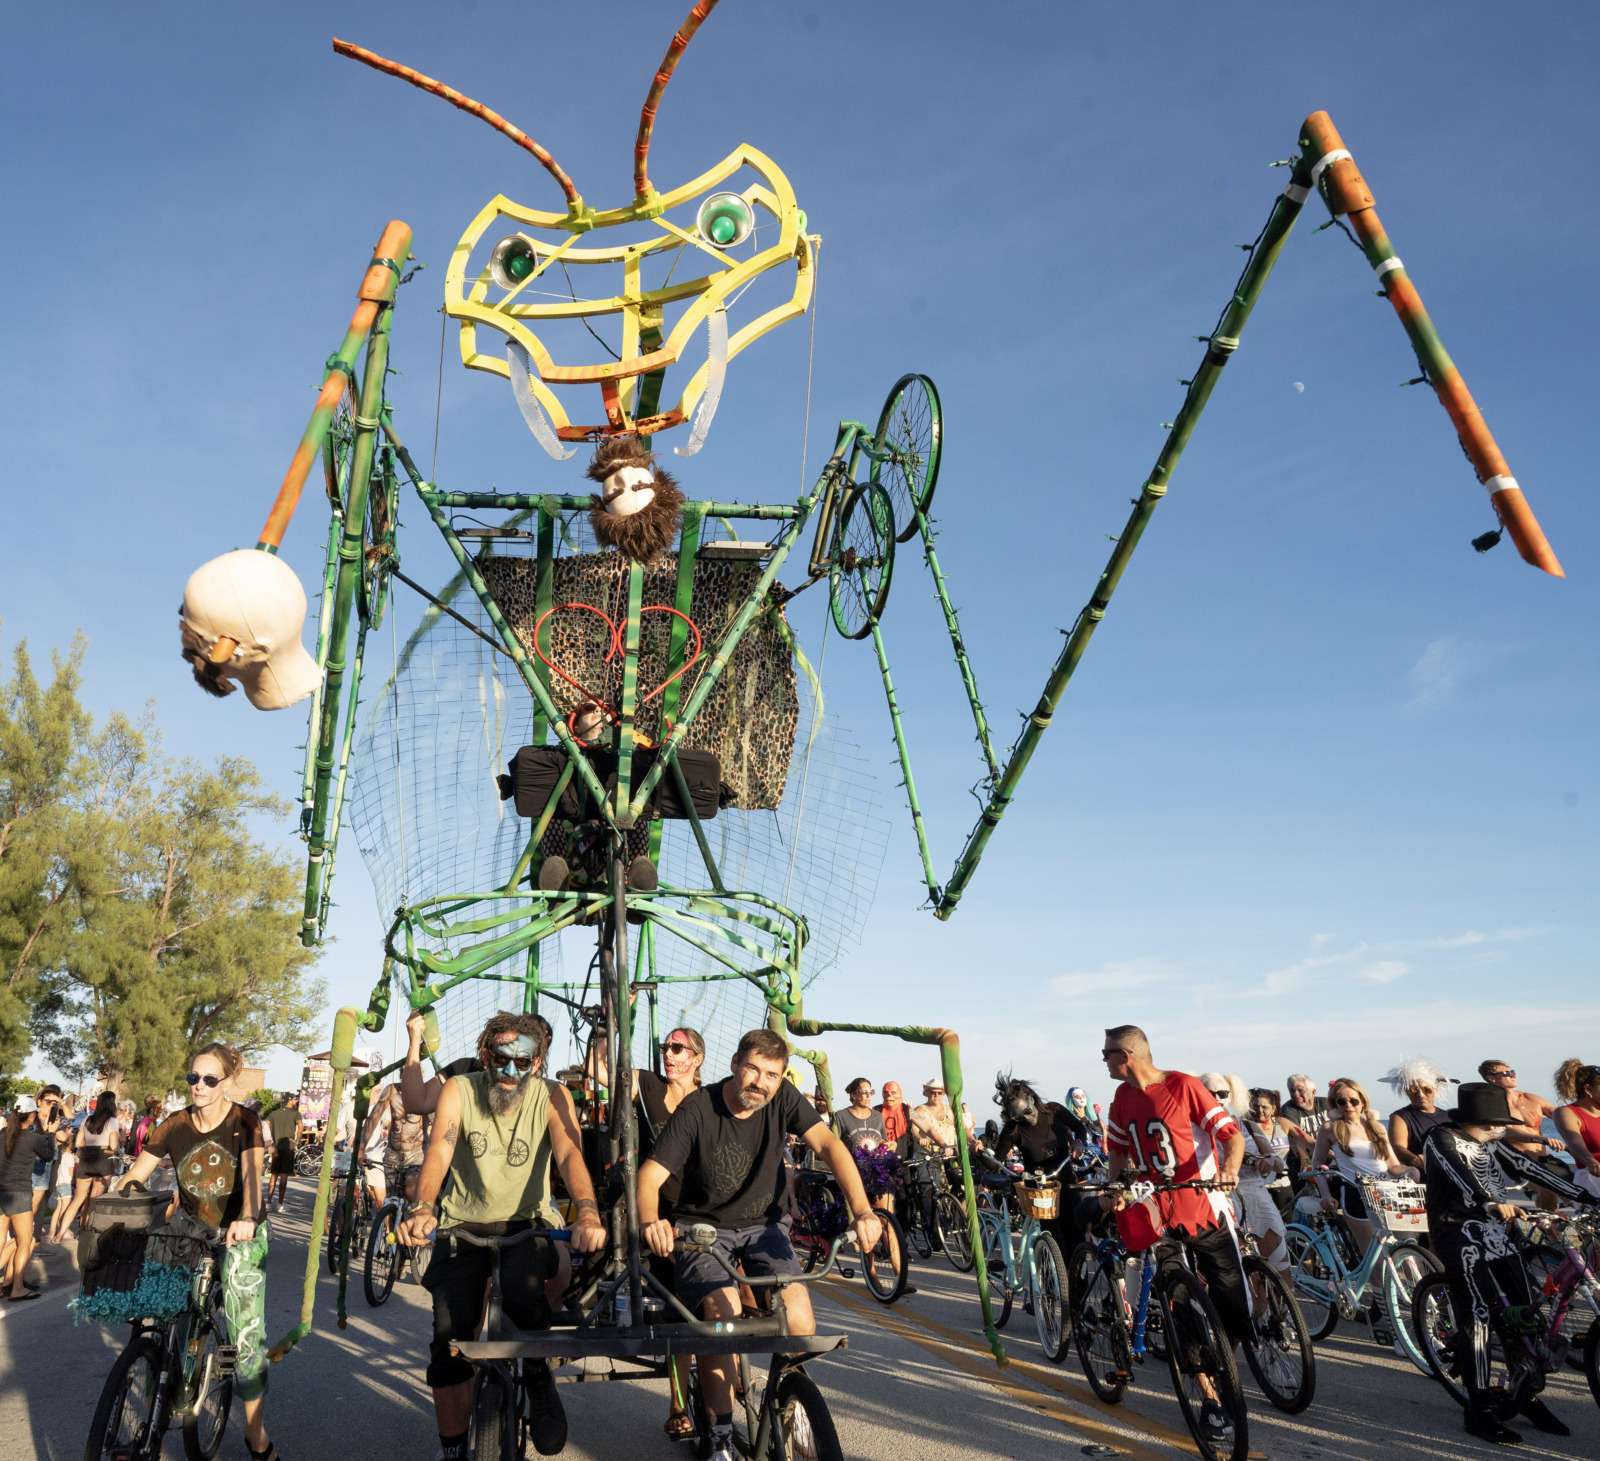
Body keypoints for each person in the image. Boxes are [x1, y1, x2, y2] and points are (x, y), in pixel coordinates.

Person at [639, 1028, 883, 1461]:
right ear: (735, 1064)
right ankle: (718, 1435)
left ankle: (784, 1399)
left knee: (801, 1323)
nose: (760, 1082)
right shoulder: (699, 1108)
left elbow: (828, 1144)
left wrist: (862, 1209)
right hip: (702, 1228)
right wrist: (650, 1221)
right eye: (752, 1069)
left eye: (771, 1074)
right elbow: (651, 1175)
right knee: (724, 1320)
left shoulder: (784, 1098)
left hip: (765, 1225)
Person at [398, 1012, 605, 1461]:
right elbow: (441, 1147)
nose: (511, 1072)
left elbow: (569, 1152)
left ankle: (536, 1371)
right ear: (485, 1054)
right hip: (462, 1224)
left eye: (523, 1063)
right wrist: (423, 1207)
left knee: (526, 1295)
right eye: (501, 1059)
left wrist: (587, 1212)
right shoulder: (460, 1088)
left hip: (525, 1222)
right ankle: (451, 1448)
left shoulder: (552, 1095)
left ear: (538, 1061)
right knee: (449, 1339)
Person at [115, 1042, 281, 1461]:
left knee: (243, 1336)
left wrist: (248, 1218)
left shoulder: (246, 1120)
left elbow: (253, 1176)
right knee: (156, 1307)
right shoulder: (173, 1124)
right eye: (193, 1077)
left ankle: (254, 1433)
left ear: (228, 1082)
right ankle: (160, 1391)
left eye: (210, 1079)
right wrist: (114, 1200)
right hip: (188, 1228)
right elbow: (137, 1173)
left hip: (238, 1231)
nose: (199, 1086)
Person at [1422, 1080, 1597, 1445]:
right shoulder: (1441, 1140)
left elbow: (1527, 1167)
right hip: (1458, 1232)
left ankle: (1522, 1391)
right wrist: (1487, 1201)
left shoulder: (1490, 1141)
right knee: (1479, 1317)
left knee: (1525, 1312)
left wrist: (1586, 1196)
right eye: (1498, 1122)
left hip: (1498, 1230)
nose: (1503, 1127)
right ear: (1483, 1121)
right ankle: (1478, 1408)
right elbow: (1460, 1173)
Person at [1099, 1026, 1245, 1448]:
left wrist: (1230, 1169)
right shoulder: (1121, 1099)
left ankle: (1222, 1366)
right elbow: (1118, 1150)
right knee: (1179, 1303)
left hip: (1201, 1206)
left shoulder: (1184, 1086)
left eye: (1106, 1053)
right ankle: (1210, 1399)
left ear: (1125, 1054)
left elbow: (1229, 1135)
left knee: (1234, 1304)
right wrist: (1114, 1189)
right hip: (1157, 1210)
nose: (1103, 1061)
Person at [589, 1024, 708, 1440]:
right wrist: (607, 1031)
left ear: (697, 1058)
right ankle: (679, 1402)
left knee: (743, 1297)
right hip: (657, 1209)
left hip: (702, 1211)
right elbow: (599, 1070)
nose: (670, 1055)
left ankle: (732, 1370)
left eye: (679, 1049)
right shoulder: (647, 1083)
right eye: (666, 1047)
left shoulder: (708, 1098)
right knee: (681, 1312)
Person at [1310, 1078, 1421, 1254]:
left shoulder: (1376, 1127)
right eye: (1342, 1101)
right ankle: (1377, 1282)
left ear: (1362, 1102)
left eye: (1353, 1101)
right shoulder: (1330, 1128)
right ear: (1335, 1104)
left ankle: (1420, 1282)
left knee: (1410, 1248)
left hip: (1387, 1191)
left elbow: (1392, 1166)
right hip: (1356, 1192)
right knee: (1374, 1255)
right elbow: (1317, 1163)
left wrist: (1410, 1170)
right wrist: (1325, 1194)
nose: (1348, 1106)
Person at [1200, 1074, 1288, 1274]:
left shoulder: (1247, 1125)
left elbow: (1276, 1161)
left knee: (1280, 1268)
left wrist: (1269, 1161)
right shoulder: (1198, 1130)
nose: (1217, 1098)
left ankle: (1284, 1306)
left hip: (1257, 1195)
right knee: (1246, 1270)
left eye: (1222, 1093)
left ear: (1230, 1096)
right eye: (1209, 1093)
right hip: (1223, 1198)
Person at [1480, 1058, 1567, 1210]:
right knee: (1547, 1189)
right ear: (1491, 1078)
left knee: (1576, 1192)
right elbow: (1504, 1131)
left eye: (1513, 1072)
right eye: (1507, 1073)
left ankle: (1566, 1226)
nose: (1513, 1075)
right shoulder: (1490, 1104)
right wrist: (1541, 1138)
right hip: (1519, 1162)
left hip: (1545, 1158)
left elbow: (1563, 1117)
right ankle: (1550, 1230)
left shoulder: (1531, 1099)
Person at [1, 1096, 54, 1301]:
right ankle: (17, 1288)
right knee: (26, 1240)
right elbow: (48, 1155)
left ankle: (7, 1282)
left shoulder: (2, 1135)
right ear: (32, 1115)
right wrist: (49, 1133)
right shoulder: (33, 1139)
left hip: (1, 1192)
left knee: (5, 1241)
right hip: (20, 1193)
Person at [53, 1090, 121, 1239]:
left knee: (77, 1199)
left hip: (86, 1157)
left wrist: (90, 1144)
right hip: (103, 1158)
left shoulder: (87, 1119)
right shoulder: (112, 1121)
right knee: (94, 1200)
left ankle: (59, 1235)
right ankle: (84, 1234)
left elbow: (77, 1143)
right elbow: (113, 1145)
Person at [1381, 1058, 1452, 1172]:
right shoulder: (1400, 1117)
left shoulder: (1448, 1117)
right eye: (1413, 1089)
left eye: (1426, 1089)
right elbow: (1398, 1147)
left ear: (1435, 1089)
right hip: (1421, 1176)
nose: (1420, 1094)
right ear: (1406, 1091)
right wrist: (1415, 1159)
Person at [1245, 1088, 1298, 1218]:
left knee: (1291, 1221)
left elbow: (1307, 1140)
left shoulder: (1281, 1123)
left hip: (1281, 1182)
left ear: (1273, 1108)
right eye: (1255, 1106)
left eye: (1265, 1107)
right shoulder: (1245, 1125)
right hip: (1255, 1184)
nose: (1259, 1110)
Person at [1552, 1059, 1600, 1198]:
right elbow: (1574, 1142)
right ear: (1588, 1089)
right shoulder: (1567, 1112)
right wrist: (1590, 1161)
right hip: (1592, 1179)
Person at [1281, 1073, 1329, 1185]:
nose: (1295, 1095)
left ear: (1313, 1092)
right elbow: (1301, 1138)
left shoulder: (1327, 1104)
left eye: (1300, 1090)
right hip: (1305, 1165)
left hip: (1331, 1163)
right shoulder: (1288, 1110)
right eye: (1292, 1091)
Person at [265, 1095, 299, 1211]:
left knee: (273, 1175)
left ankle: (268, 1204)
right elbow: (301, 1125)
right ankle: (280, 1204)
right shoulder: (295, 1113)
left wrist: (269, 1138)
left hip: (276, 1147)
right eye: (295, 1099)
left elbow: (266, 1123)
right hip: (288, 1147)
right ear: (289, 1100)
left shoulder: (274, 1113)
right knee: (283, 1176)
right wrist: (298, 1140)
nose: (296, 1101)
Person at [835, 1079, 887, 1146]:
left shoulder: (878, 1116)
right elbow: (834, 1144)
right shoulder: (841, 1116)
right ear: (853, 1095)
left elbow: (883, 1141)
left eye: (871, 1092)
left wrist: (891, 1144)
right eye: (864, 1092)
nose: (869, 1096)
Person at [877, 1081, 910, 1156]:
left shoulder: (907, 1111)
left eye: (893, 1093)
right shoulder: (875, 1112)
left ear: (900, 1094)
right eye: (886, 1092)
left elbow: (927, 1128)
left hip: (902, 1158)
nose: (889, 1095)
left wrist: (942, 1144)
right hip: (880, 1157)